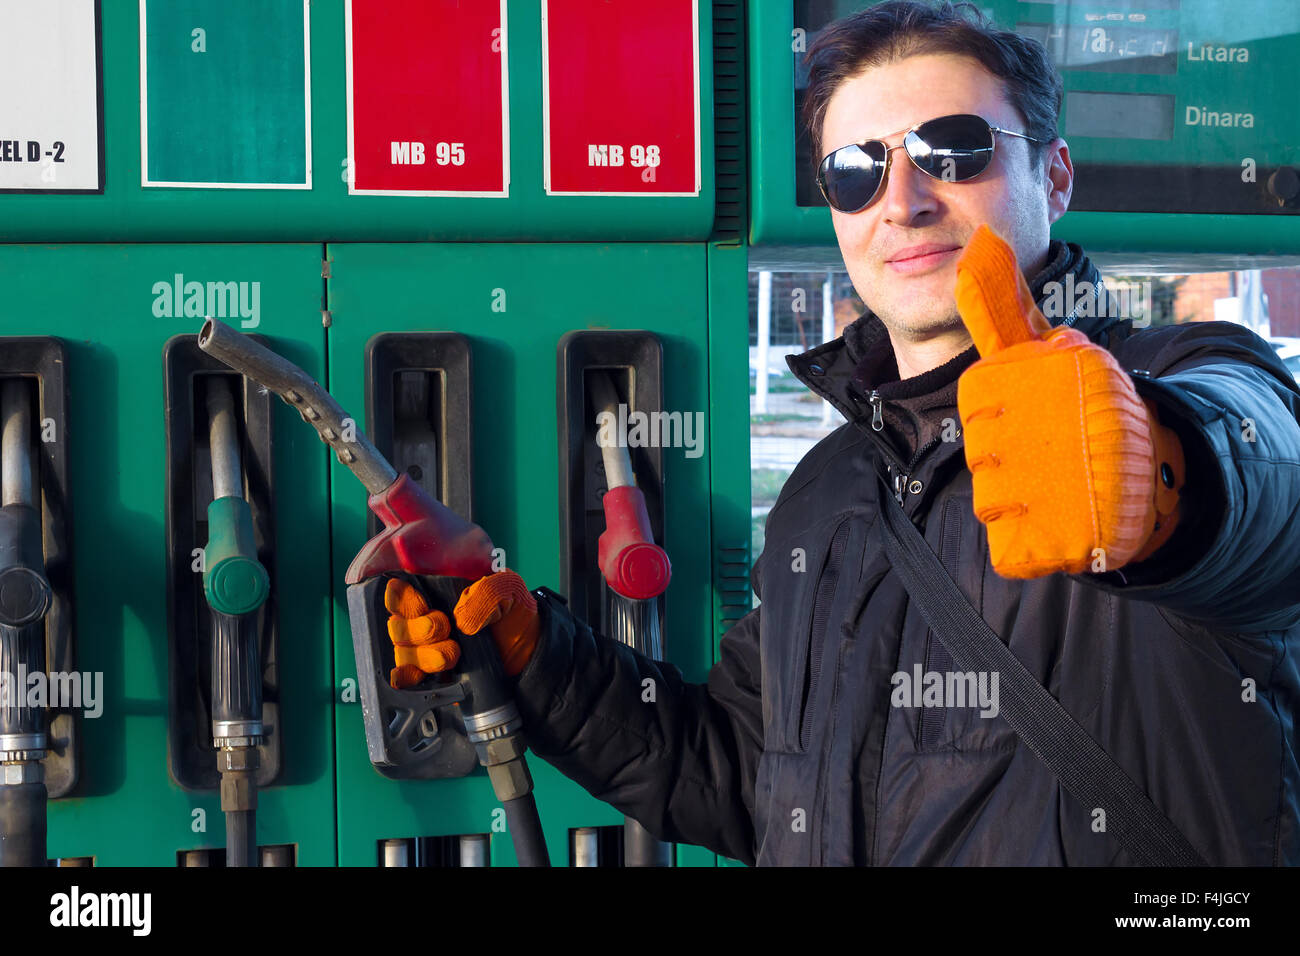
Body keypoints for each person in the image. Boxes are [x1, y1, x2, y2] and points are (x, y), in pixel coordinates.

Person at [386, 1, 1300, 865]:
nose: (902, 202)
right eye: (857, 172)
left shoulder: (1173, 380)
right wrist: (538, 661)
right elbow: (742, 771)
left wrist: (1161, 472)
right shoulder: (828, 490)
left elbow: (1262, 466)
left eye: (953, 149)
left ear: (1053, 175)